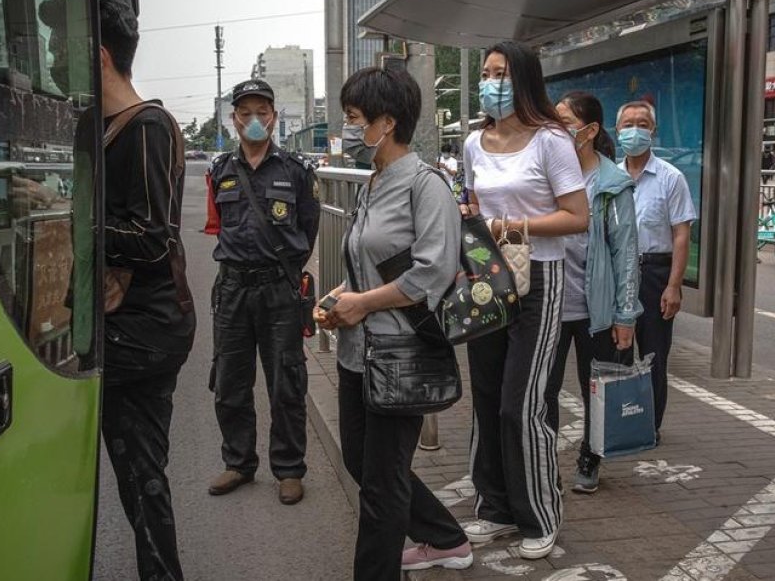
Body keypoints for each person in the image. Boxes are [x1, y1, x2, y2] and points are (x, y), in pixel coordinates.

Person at [314, 67, 472, 579]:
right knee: (364, 464)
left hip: (401, 353)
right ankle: (446, 537)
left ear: (387, 121)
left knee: (382, 487)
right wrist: (339, 296)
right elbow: (366, 258)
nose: (350, 128)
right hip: (358, 353)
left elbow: (433, 272)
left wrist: (362, 304)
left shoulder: (426, 186)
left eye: (356, 118)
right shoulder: (373, 183)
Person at [460, 41, 589, 560]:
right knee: (487, 398)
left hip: (539, 274)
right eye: (486, 73)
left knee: (522, 404)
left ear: (525, 81)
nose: (491, 82)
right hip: (486, 274)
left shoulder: (551, 141)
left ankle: (539, 513)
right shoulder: (474, 143)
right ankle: (495, 508)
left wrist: (513, 226)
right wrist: (473, 223)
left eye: (501, 73)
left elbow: (576, 216)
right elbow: (471, 201)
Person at [97, 0, 196, 581]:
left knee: (140, 470)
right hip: (137, 320)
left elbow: (155, 238)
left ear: (101, 56)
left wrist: (69, 219)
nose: (57, 55)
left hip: (146, 325)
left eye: (65, 45)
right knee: (139, 470)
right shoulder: (108, 127)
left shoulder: (147, 126)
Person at [206, 78, 320, 505]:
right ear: (234, 120)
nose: (254, 120)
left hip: (278, 290)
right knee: (230, 382)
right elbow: (218, 222)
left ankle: (289, 468)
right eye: (245, 113)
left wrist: (285, 271)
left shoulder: (295, 170)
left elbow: (308, 229)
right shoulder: (221, 170)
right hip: (233, 289)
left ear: (274, 118)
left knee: (286, 383)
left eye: (262, 112)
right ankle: (238, 462)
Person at [554, 91, 641, 494]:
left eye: (564, 121)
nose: (556, 129)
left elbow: (626, 253)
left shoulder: (610, 184)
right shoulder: (549, 175)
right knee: (542, 391)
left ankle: (591, 456)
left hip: (596, 310)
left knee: (597, 391)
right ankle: (541, 458)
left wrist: (625, 316)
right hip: (551, 305)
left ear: (588, 131)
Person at [616, 100, 696, 439]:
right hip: (619, 275)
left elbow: (681, 234)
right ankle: (617, 420)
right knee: (617, 353)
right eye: (628, 124)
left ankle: (650, 425)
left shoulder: (671, 178)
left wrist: (674, 286)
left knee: (653, 355)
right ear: (617, 131)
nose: (635, 130)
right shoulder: (610, 177)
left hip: (654, 274)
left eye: (643, 123)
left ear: (653, 131)